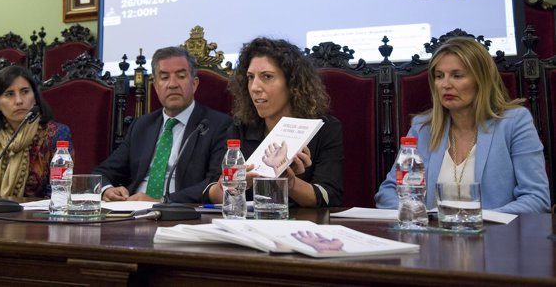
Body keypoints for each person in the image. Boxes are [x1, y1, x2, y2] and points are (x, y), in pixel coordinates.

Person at [375, 37, 550, 213]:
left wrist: (473, 221)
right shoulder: (422, 129)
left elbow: (536, 198)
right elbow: (388, 192)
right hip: (432, 236)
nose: (445, 84)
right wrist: (417, 215)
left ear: (481, 80)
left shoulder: (514, 123)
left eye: (457, 76)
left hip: (496, 236)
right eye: (439, 76)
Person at [205, 37, 344, 207]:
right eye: (250, 77)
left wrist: (289, 182)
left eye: (267, 76)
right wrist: (231, 185)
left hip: (303, 227)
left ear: (292, 83)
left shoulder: (325, 128)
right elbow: (210, 191)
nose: (255, 87)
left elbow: (329, 196)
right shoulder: (240, 127)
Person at [94, 46, 232, 203]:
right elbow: (103, 172)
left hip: (180, 215)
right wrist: (107, 189)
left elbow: (215, 183)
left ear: (194, 84)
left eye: (180, 76)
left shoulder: (218, 125)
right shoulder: (141, 126)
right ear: (156, 86)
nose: (172, 84)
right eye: (164, 77)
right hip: (132, 211)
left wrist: (161, 202)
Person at [0, 65, 72, 198]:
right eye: (9, 94)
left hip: (39, 216)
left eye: (25, 92)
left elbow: (60, 193)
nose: (19, 101)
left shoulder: (56, 134)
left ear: (35, 97)